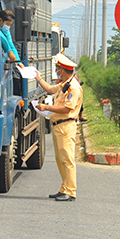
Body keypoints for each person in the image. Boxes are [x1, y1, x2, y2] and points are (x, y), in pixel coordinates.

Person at [34, 53, 83, 202]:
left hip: (66, 127)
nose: (57, 71)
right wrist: (38, 78)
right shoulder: (64, 84)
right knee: (60, 159)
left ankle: (70, 191)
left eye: (58, 69)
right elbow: (49, 89)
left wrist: (47, 107)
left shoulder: (73, 87)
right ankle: (64, 188)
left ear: (63, 70)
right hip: (58, 127)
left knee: (67, 160)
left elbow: (67, 109)